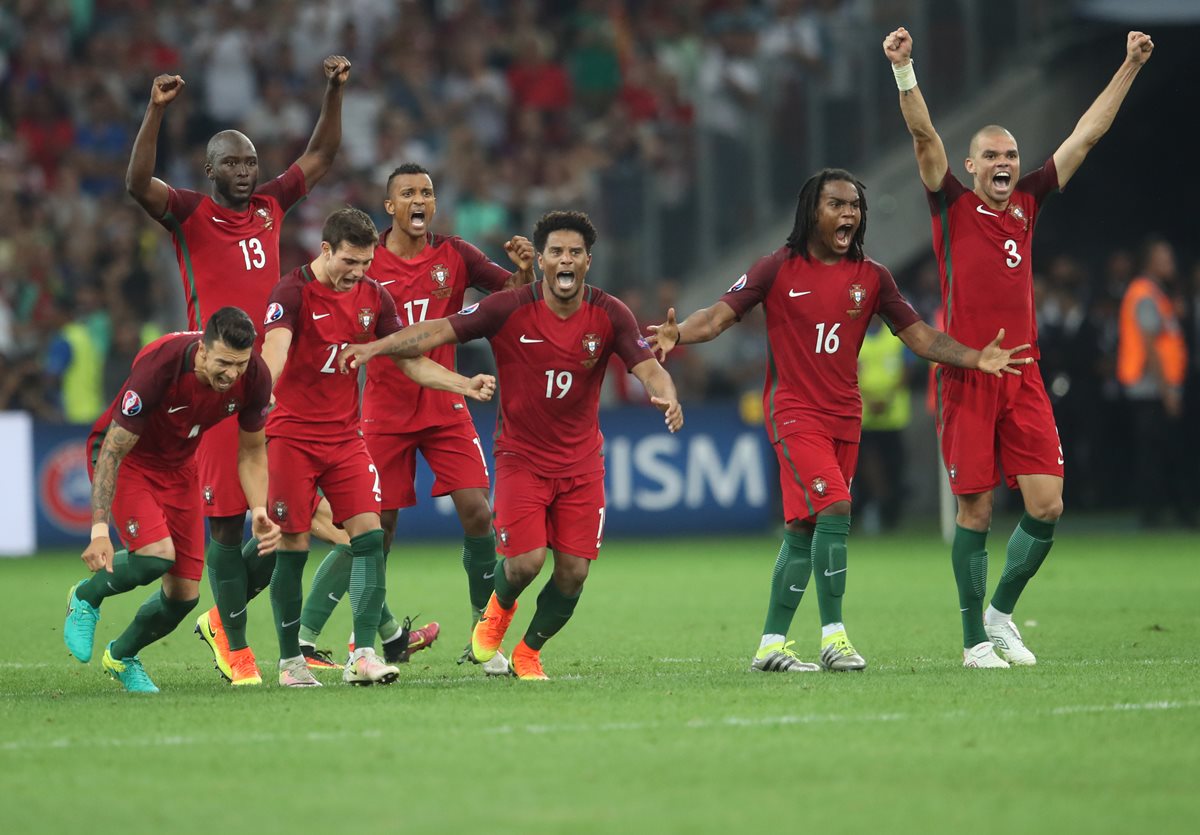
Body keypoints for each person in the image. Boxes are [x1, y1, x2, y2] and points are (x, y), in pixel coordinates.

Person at [647, 169, 1031, 674]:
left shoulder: (872, 277)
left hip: (845, 419)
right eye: (837, 205)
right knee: (836, 505)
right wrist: (680, 335)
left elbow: (918, 337)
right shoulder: (775, 268)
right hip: (793, 412)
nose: (849, 213)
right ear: (812, 212)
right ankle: (834, 636)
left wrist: (973, 356)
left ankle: (770, 644)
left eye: (854, 206)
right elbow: (719, 316)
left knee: (803, 529)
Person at [884, 27, 1154, 667]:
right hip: (969, 376)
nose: (1005, 163)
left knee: (1047, 504)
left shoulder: (1029, 203)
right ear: (972, 166)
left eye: (1012, 154)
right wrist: (904, 69)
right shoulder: (949, 204)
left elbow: (1086, 134)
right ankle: (973, 641)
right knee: (975, 509)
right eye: (992, 156)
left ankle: (1000, 614)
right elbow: (925, 137)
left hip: (1025, 375)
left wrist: (1130, 65)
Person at [339, 210, 683, 680]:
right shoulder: (508, 308)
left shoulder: (609, 313)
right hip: (521, 456)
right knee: (525, 563)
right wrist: (376, 347)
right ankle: (493, 617)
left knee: (573, 574)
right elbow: (436, 330)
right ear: (541, 260)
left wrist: (665, 393)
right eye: (557, 252)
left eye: (575, 253)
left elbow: (648, 367)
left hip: (583, 462)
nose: (566, 260)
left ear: (588, 261)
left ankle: (528, 651)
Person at [125, 55, 352, 677]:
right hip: (216, 379)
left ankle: (221, 621)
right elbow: (137, 185)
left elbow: (322, 156)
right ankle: (234, 644)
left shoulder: (271, 205)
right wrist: (155, 111)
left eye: (250, 161)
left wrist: (333, 91)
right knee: (225, 522)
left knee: (288, 517)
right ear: (210, 169)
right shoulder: (191, 212)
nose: (246, 172)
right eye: (232, 162)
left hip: (271, 381)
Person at [297, 163, 535, 676]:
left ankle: (483, 635)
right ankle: (309, 636)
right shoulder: (364, 260)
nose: (419, 199)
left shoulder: (457, 255)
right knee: (372, 532)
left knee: (478, 511)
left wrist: (524, 270)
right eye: (407, 193)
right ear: (390, 207)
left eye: (426, 191)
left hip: (445, 408)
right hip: (382, 412)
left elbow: (512, 297)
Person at [261, 207, 497, 687]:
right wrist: (265, 384)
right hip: (293, 436)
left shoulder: (374, 296)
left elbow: (409, 360)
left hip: (345, 438)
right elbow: (276, 347)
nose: (358, 272)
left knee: (368, 537)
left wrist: (461, 384)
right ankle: (290, 661)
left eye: (366, 263)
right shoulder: (292, 291)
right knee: (293, 544)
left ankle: (363, 653)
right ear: (325, 250)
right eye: (349, 261)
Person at [61, 307, 280, 692]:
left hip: (179, 467)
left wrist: (259, 509)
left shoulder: (255, 376)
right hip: (130, 460)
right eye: (224, 363)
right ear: (202, 352)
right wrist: (99, 532)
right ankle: (85, 596)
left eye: (240, 364)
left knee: (183, 596)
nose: (232, 374)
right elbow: (112, 451)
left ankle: (122, 655)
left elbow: (251, 452)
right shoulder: (161, 367)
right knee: (155, 556)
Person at [1117, 238, 1191, 528]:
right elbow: (1150, 346)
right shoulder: (1145, 293)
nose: (1171, 263)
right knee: (1158, 455)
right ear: (1150, 262)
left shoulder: (1157, 293)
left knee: (1158, 453)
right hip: (1150, 389)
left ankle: (1159, 513)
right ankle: (1155, 515)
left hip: (1153, 388)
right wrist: (1167, 391)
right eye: (1165, 257)